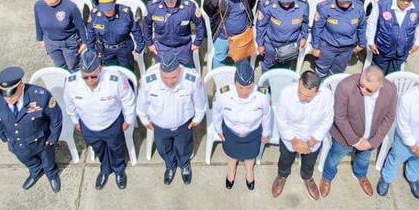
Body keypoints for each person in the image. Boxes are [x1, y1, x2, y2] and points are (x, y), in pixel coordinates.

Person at [63, 49, 136, 190]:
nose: (90, 80)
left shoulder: (115, 80)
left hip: (112, 124)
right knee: (99, 149)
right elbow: (70, 104)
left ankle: (119, 170)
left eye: (93, 76)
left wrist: (128, 120)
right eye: (86, 77)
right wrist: (75, 121)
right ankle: (105, 169)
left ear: (100, 69)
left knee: (116, 149)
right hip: (88, 126)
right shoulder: (72, 83)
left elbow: (128, 100)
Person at [321, 65, 397, 198]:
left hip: (371, 137)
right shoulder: (345, 87)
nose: (362, 90)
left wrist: (372, 142)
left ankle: (360, 175)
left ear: (380, 86)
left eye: (368, 89)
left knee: (364, 159)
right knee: (334, 158)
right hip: (344, 137)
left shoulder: (390, 90)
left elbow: (389, 118)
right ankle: (327, 176)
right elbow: (340, 117)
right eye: (361, 84)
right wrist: (354, 141)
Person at [0, 66, 62, 192]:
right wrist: (4, 137)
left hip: (40, 141)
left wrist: (52, 138)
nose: (7, 98)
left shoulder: (40, 96)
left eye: (11, 93)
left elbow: (56, 117)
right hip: (16, 143)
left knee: (48, 161)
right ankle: (36, 172)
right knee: (28, 161)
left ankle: (52, 175)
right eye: (4, 94)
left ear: (21, 86)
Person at [137, 50, 205, 184]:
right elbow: (142, 103)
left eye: (173, 78)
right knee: (163, 148)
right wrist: (144, 120)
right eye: (165, 78)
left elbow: (200, 101)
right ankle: (170, 166)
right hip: (160, 125)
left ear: (179, 71)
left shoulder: (191, 78)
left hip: (184, 124)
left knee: (184, 146)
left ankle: (184, 165)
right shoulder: (149, 80)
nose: (169, 82)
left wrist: (197, 119)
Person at [272, 70, 333, 200]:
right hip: (290, 137)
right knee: (285, 158)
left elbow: (327, 120)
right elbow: (281, 121)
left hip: (313, 139)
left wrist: (312, 142)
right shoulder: (286, 94)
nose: (302, 97)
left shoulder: (327, 96)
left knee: (310, 162)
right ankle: (282, 175)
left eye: (307, 96)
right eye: (300, 92)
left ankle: (307, 177)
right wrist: (295, 141)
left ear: (317, 91)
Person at [211, 60, 272, 190]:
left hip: (253, 133)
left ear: (253, 84)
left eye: (249, 87)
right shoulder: (223, 94)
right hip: (231, 132)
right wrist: (218, 129)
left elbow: (267, 114)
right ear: (235, 83)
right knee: (231, 154)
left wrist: (266, 132)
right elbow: (216, 112)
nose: (245, 92)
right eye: (241, 87)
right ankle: (231, 171)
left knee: (250, 155)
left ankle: (249, 172)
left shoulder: (262, 95)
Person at [311, 0, 366, 78]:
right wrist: (315, 47)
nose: (345, 2)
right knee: (322, 69)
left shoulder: (359, 7)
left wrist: (362, 44)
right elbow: (317, 28)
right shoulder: (324, 7)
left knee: (338, 71)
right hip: (328, 46)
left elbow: (361, 27)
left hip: (347, 48)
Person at [146, 0, 205, 67]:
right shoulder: (153, 7)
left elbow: (200, 24)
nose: (170, 1)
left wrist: (197, 42)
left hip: (184, 48)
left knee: (186, 72)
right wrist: (150, 43)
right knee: (164, 74)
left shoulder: (189, 7)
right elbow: (147, 26)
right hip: (162, 47)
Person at [368, 0, 419, 74]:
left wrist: (418, 41)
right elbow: (372, 23)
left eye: (409, 0)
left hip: (403, 50)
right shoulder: (383, 4)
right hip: (383, 48)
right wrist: (370, 41)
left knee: (393, 74)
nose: (406, 2)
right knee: (376, 73)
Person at [256, 0, 309, 70]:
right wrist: (260, 44)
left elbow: (305, 23)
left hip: (290, 45)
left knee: (285, 67)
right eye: (283, 0)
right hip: (271, 44)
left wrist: (304, 37)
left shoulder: (303, 5)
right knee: (268, 66)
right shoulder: (267, 6)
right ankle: (265, 84)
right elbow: (261, 26)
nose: (286, 3)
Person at [34, 0, 88, 69]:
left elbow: (80, 26)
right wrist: (40, 39)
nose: (49, 2)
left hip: (68, 42)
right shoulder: (38, 5)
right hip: (50, 42)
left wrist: (84, 42)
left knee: (73, 66)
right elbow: (38, 22)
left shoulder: (70, 7)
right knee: (60, 66)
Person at [210, 0, 253, 65]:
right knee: (219, 57)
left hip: (242, 36)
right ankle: (219, 78)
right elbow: (209, 10)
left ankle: (240, 76)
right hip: (222, 36)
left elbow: (251, 4)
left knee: (242, 58)